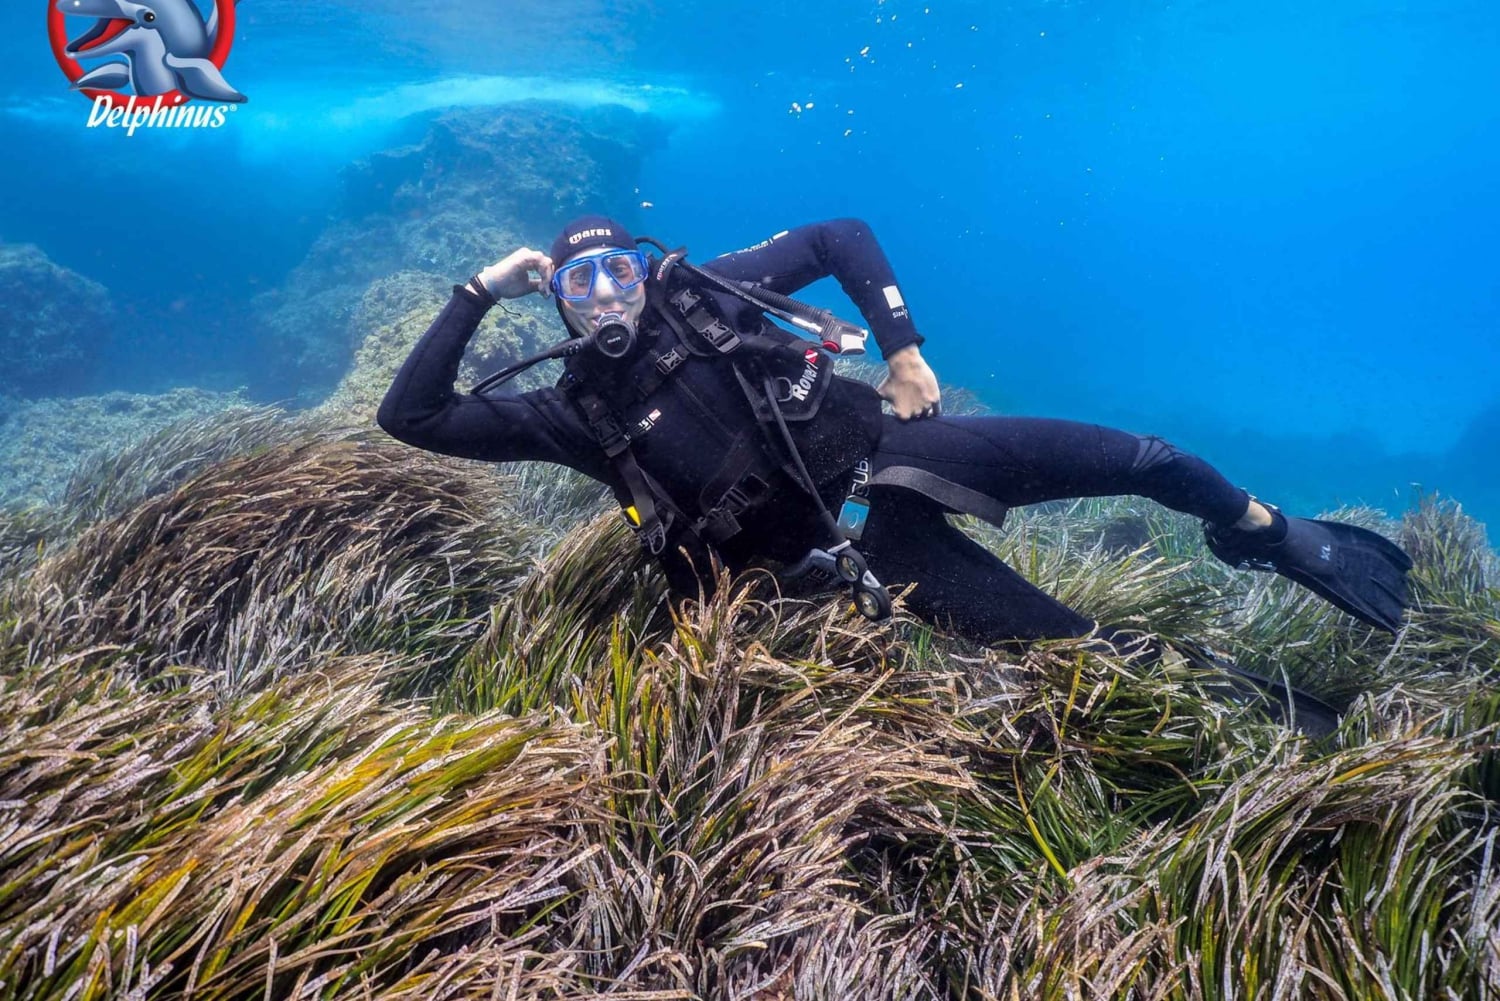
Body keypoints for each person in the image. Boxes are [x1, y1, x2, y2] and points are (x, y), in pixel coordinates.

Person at [377, 215, 1412, 648]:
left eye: (618, 273)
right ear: (554, 302)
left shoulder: (713, 293)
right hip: (848, 555)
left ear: (647, 274)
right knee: (1076, 647)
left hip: (897, 449)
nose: (605, 298)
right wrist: (476, 290)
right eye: (576, 284)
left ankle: (1269, 531)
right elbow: (411, 415)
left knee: (1151, 459)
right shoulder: (571, 411)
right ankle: (1221, 681)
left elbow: (839, 236)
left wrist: (904, 347)